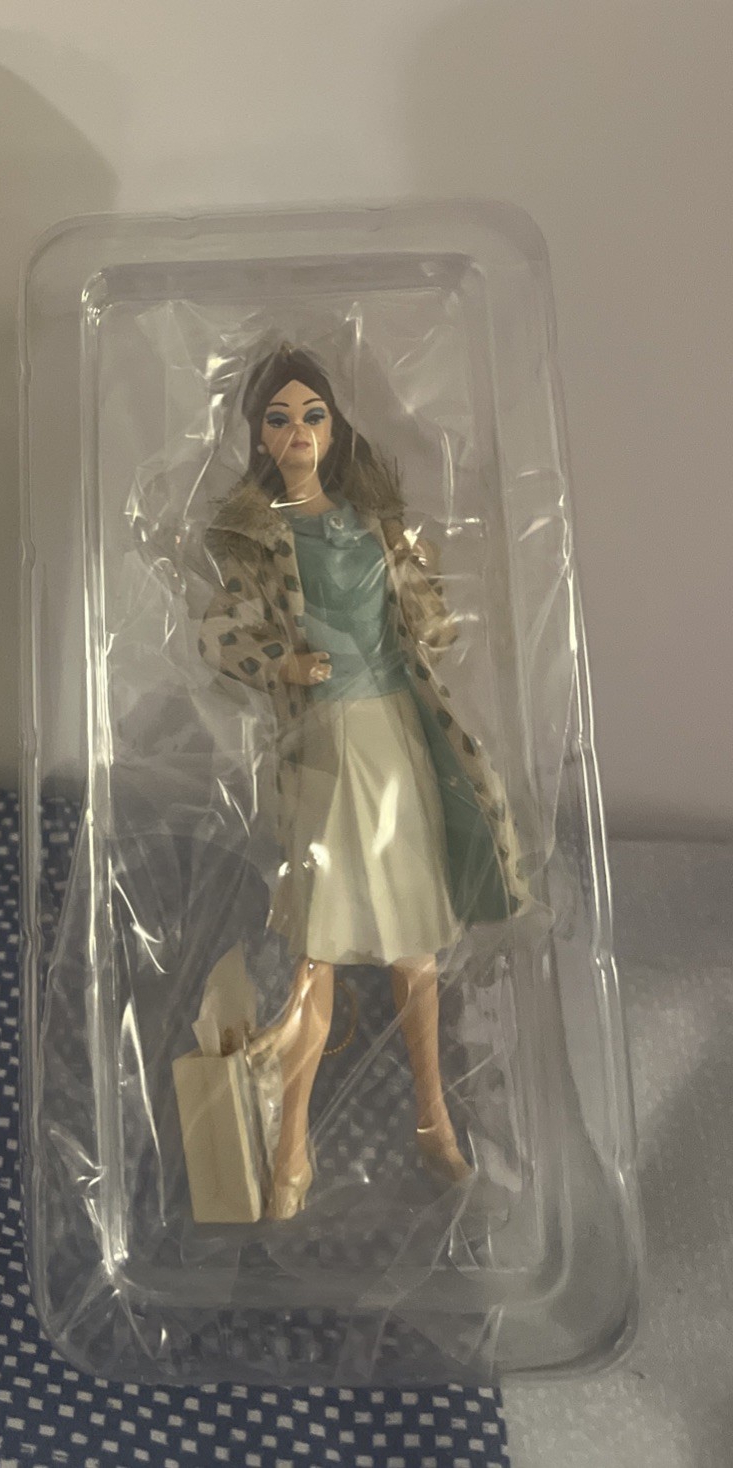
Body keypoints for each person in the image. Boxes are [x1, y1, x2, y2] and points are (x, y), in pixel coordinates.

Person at [199, 346, 527, 1218]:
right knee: (319, 954)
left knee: (414, 946)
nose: (298, 433)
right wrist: (283, 663)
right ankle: (292, 1148)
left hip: (397, 734)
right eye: (279, 419)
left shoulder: (371, 522)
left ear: (335, 426)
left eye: (312, 415)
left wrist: (425, 586)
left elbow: (435, 629)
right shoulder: (256, 538)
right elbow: (220, 635)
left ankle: (434, 1120)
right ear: (258, 436)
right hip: (325, 744)